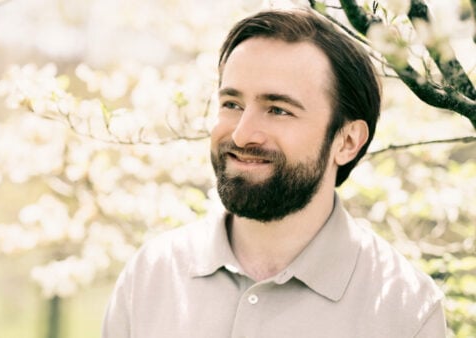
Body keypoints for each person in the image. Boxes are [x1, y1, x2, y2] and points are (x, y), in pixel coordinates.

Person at [102, 8, 446, 338]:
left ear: (347, 141)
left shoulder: (405, 308)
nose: (241, 134)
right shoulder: (151, 276)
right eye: (232, 105)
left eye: (278, 110)